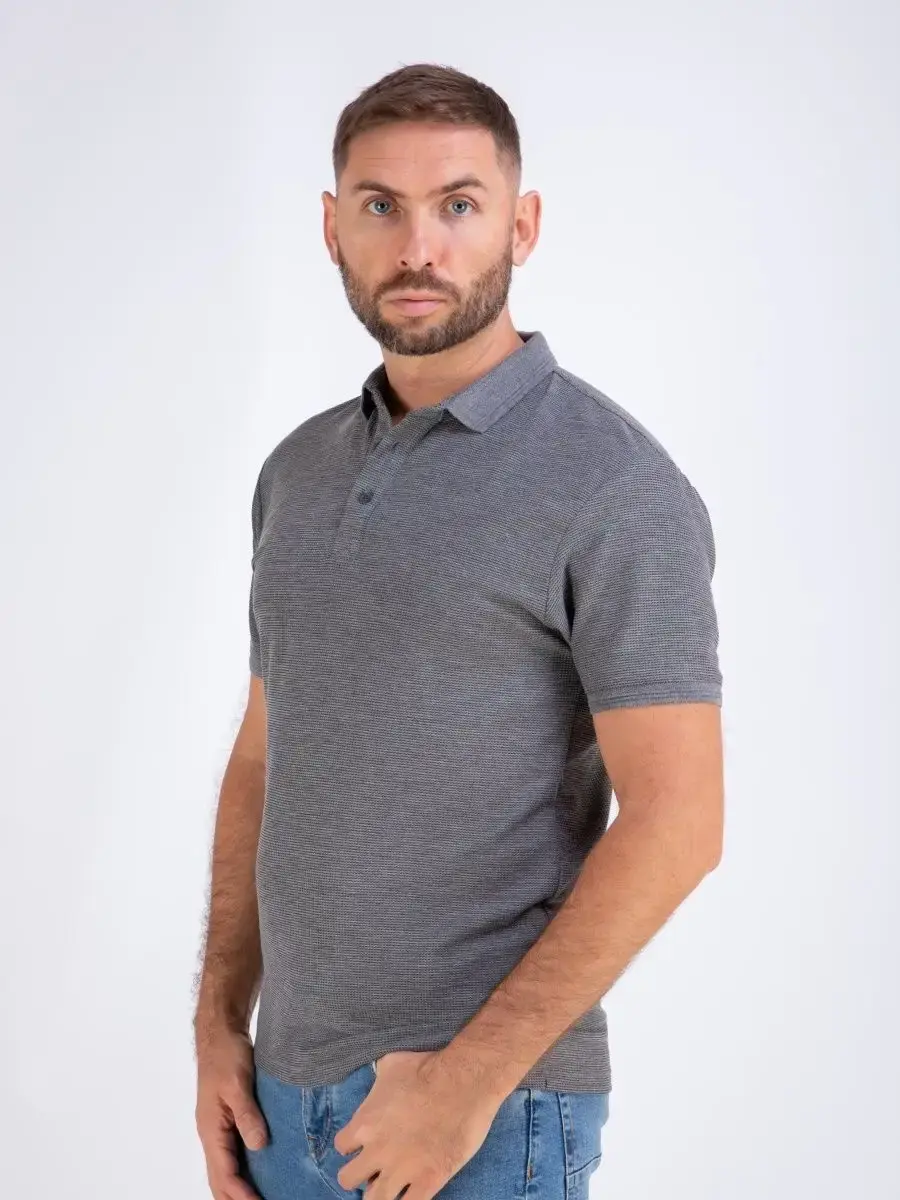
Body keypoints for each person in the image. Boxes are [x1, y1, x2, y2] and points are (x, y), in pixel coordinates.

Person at [193, 62, 725, 1200]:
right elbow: (264, 758)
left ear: (521, 227)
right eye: (381, 205)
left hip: (481, 1118)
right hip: (277, 1101)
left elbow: (680, 820)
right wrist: (217, 1026)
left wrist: (464, 1086)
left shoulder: (616, 485)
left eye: (460, 205)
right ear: (332, 228)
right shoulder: (297, 472)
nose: (418, 247)